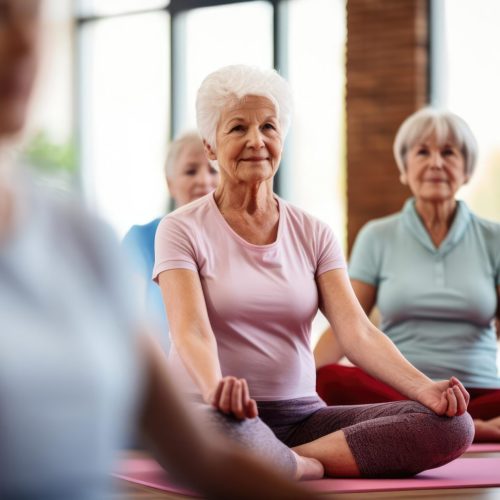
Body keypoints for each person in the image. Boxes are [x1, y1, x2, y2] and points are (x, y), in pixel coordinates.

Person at [0, 2, 318, 498]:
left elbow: (202, 458)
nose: (24, 45)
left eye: (30, 17)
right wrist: (216, 391)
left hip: (279, 412)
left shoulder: (80, 236)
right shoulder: (166, 233)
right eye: (1, 18)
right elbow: (187, 332)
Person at [153, 65, 474, 480]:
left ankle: (286, 460)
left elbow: (356, 332)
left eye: (268, 126)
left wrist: (423, 388)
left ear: (281, 139)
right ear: (211, 147)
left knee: (452, 425)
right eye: (237, 128)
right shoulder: (180, 228)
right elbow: (191, 331)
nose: (256, 140)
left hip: (302, 416)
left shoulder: (313, 232)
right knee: (200, 432)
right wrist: (216, 391)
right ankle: (286, 459)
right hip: (213, 411)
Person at [314, 108, 500, 442]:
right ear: (405, 168)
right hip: (400, 392)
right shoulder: (378, 236)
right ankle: (471, 429)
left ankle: (455, 422)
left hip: (481, 393)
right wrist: (301, 379)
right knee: (326, 380)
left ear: (467, 169)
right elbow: (348, 324)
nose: (436, 163)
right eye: (423, 152)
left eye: (448, 152)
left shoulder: (493, 238)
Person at [122, 131, 218, 350]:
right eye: (190, 171)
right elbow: (128, 318)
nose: (203, 180)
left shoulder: (236, 242)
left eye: (213, 170)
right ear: (170, 183)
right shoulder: (141, 238)